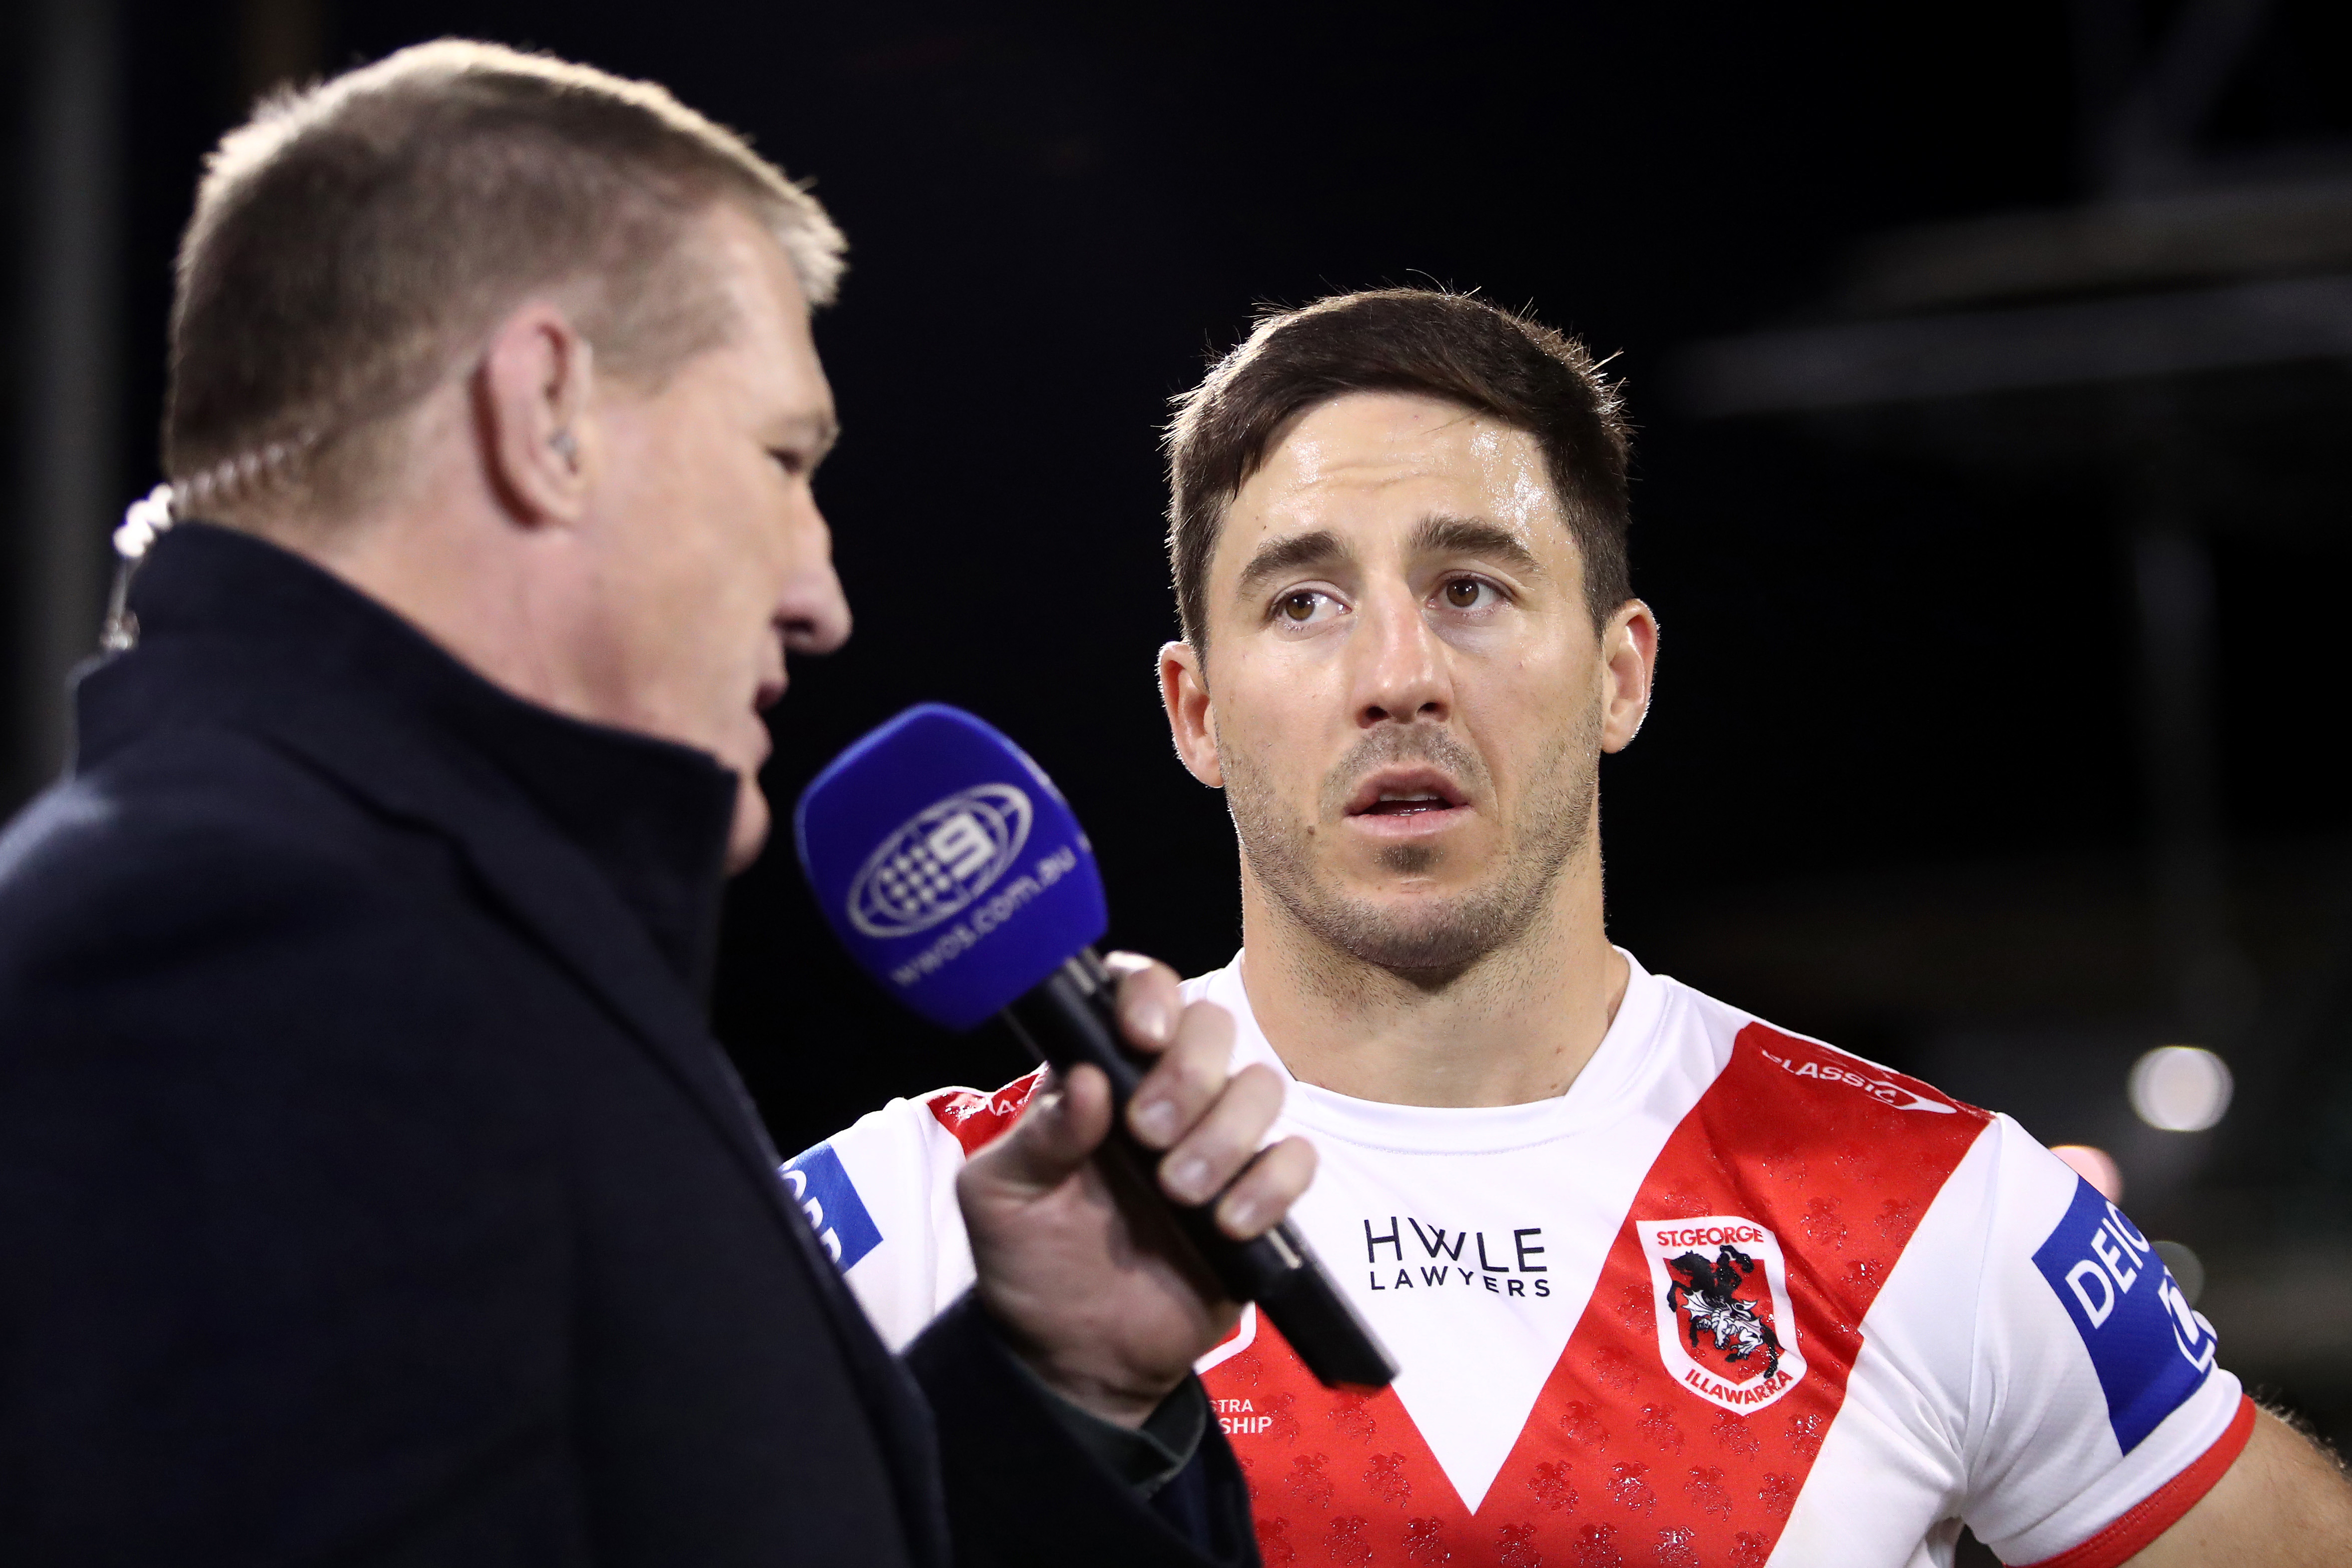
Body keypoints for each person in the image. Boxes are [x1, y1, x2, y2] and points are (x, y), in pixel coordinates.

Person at [0, 41, 1319, 1567]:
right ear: (548, 408)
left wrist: (1061, 1385)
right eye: (782, 458)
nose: (822, 593)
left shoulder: (436, 941)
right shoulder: (231, 946)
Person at [792, 288, 2352, 1566]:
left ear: (1622, 672)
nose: (1396, 673)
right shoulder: (928, 1219)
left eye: (1472, 586)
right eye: (1304, 601)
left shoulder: (1935, 1211)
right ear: (1195, 709)